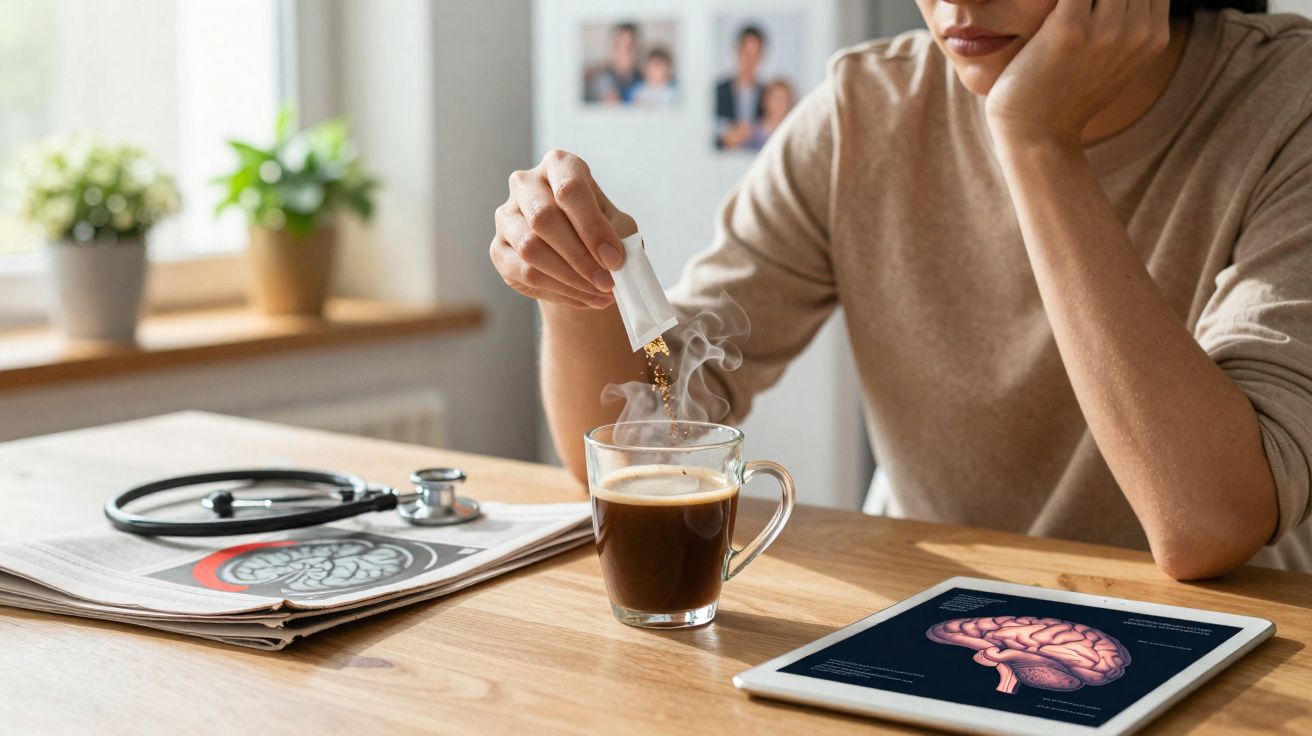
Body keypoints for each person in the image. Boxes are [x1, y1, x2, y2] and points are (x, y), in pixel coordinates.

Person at [491, 1, 1312, 579]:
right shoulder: (862, 111)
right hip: (927, 621)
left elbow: (1208, 524)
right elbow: (641, 428)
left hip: (1225, 647)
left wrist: (1035, 143)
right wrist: (578, 287)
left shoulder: (1287, 104)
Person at [715, 25, 767, 149]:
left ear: (762, 56)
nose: (750, 60)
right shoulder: (718, 91)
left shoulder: (768, 94)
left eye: (755, 54)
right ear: (737, 52)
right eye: (747, 53)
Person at [586, 22, 643, 105]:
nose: (623, 53)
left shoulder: (644, 79)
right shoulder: (601, 80)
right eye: (617, 46)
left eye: (629, 47)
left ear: (638, 49)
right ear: (611, 48)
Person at [745, 79, 796, 149]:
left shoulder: (795, 132)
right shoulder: (752, 132)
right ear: (766, 101)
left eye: (783, 99)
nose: (779, 103)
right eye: (775, 98)